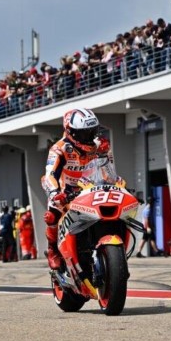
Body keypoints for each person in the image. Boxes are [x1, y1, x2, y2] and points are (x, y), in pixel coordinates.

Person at [41, 107, 110, 270]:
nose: (90, 138)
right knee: (52, 215)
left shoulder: (100, 145)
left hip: (93, 188)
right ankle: (53, 250)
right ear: (71, 132)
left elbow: (110, 174)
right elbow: (50, 174)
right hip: (66, 191)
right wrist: (54, 192)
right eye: (85, 134)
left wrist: (105, 156)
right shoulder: (59, 149)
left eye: (92, 132)